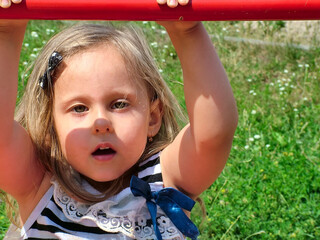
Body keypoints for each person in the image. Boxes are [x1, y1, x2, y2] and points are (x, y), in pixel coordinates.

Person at [0, 0, 238, 239]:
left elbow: (212, 136)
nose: (101, 122)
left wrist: (187, 32)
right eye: (80, 108)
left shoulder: (165, 180)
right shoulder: (40, 185)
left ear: (152, 118)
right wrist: (7, 31)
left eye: (119, 104)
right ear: (51, 127)